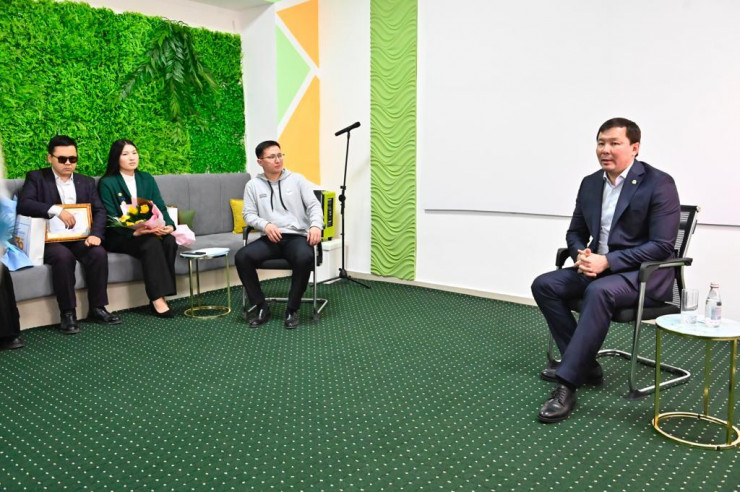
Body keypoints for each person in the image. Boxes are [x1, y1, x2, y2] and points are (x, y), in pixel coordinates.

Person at [531, 118, 680, 423]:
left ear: (634, 147)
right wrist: (581, 254)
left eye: (614, 143)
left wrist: (608, 261)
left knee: (599, 291)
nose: (605, 150)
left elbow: (662, 246)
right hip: (596, 269)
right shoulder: (590, 183)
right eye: (601, 143)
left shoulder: (659, 183)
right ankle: (585, 365)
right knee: (544, 285)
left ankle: (567, 383)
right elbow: (575, 232)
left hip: (640, 275)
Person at [17, 135, 122, 334]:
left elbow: (99, 211)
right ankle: (68, 313)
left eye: (72, 159)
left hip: (80, 238)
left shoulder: (86, 182)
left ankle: (98, 308)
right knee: (62, 257)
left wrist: (96, 234)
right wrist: (56, 210)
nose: (68, 163)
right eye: (62, 159)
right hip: (50, 240)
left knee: (98, 253)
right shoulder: (36, 178)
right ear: (50, 158)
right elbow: (24, 204)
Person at [235, 140, 323, 329]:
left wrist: (316, 226)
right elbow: (248, 214)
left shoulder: (297, 180)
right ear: (260, 161)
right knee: (242, 257)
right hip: (270, 238)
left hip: (297, 237)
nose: (278, 160)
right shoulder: (253, 185)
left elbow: (314, 206)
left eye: (280, 155)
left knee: (304, 257)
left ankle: (292, 309)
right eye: (272, 157)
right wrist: (265, 225)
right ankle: (261, 307)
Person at [98, 140, 177, 318]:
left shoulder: (146, 178)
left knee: (170, 241)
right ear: (116, 158)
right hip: (120, 235)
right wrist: (134, 232)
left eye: (134, 153)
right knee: (151, 244)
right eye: (125, 154)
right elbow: (110, 218)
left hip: (148, 230)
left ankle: (162, 294)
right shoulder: (107, 182)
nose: (132, 158)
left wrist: (169, 225)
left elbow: (160, 206)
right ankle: (157, 298)